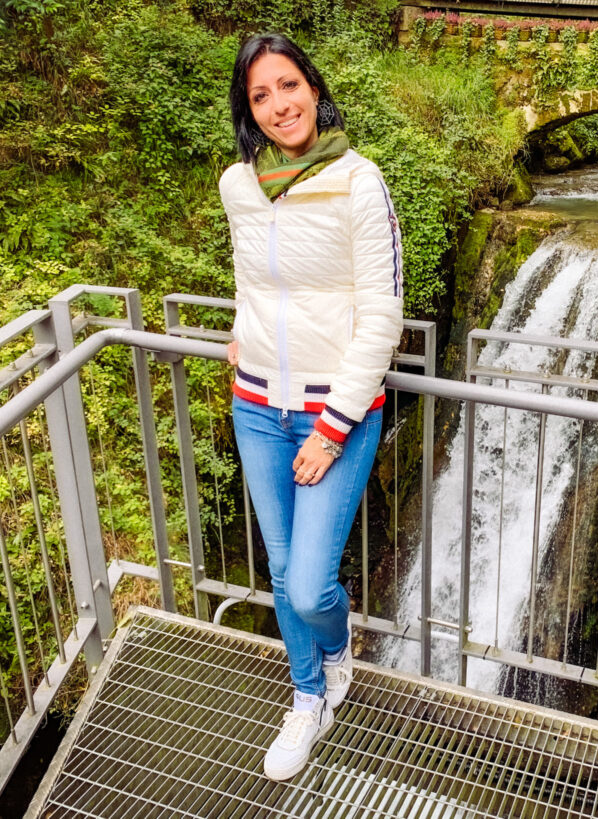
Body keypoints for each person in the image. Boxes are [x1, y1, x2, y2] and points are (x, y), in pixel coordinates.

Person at [220, 32, 404, 781]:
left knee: (307, 584)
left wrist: (333, 428)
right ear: (247, 108)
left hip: (339, 412)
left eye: (287, 86)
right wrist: (240, 328)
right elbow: (251, 279)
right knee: (282, 564)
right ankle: (307, 699)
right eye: (260, 95)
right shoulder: (239, 184)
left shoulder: (360, 181)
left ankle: (336, 643)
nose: (277, 106)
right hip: (257, 406)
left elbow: (382, 315)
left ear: (314, 89)